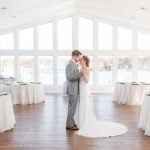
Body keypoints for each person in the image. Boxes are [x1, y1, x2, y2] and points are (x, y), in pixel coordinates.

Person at [77, 55, 128, 138]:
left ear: (85, 61)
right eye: (80, 60)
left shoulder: (86, 69)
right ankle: (82, 123)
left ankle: (87, 123)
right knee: (82, 104)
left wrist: (83, 73)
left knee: (85, 105)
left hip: (85, 89)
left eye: (81, 60)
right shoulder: (80, 69)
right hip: (81, 89)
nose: (80, 61)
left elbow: (87, 80)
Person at [65, 50, 82, 130]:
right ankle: (69, 125)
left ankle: (71, 122)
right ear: (75, 56)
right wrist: (80, 73)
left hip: (74, 89)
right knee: (72, 107)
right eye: (79, 57)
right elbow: (70, 77)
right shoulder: (70, 65)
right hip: (72, 89)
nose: (79, 59)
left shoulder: (73, 64)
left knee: (72, 107)